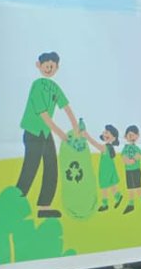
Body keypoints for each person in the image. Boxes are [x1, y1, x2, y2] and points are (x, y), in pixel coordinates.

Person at [16, 51, 81, 218]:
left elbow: (66, 107)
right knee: (31, 167)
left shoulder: (54, 87)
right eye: (46, 65)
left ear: (57, 68)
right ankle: (15, 203)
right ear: (39, 65)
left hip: (45, 133)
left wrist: (76, 128)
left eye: (52, 66)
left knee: (51, 166)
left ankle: (44, 207)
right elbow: (43, 115)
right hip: (33, 131)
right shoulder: (37, 85)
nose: (49, 68)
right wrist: (61, 134)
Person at [84, 124, 123, 212]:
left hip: (105, 170)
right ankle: (118, 197)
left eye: (107, 133)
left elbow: (94, 143)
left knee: (104, 187)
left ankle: (105, 204)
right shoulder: (110, 147)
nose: (105, 134)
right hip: (111, 168)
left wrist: (87, 136)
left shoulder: (105, 147)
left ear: (113, 138)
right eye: (104, 132)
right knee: (113, 185)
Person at [120, 125, 141, 215]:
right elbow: (124, 159)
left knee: (137, 188)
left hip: (136, 170)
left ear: (137, 136)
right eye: (129, 135)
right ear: (125, 136)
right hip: (128, 171)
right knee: (130, 188)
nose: (131, 137)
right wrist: (130, 160)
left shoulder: (137, 149)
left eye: (133, 135)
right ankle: (131, 203)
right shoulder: (125, 148)